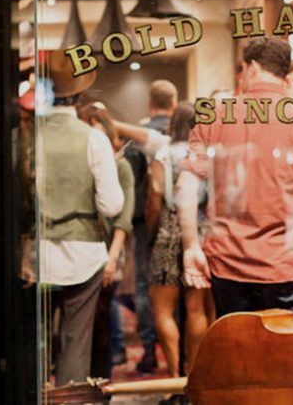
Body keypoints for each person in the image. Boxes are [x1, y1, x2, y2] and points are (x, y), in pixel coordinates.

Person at [177, 36, 293, 327]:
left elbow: (186, 183)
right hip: (285, 263)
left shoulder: (213, 115)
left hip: (228, 263)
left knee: (240, 347)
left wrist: (190, 246)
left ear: (251, 68)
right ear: (285, 75)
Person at [38, 50, 124, 386]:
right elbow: (111, 205)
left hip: (36, 254)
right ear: (79, 95)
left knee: (36, 341)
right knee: (75, 343)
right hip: (82, 254)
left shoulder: (25, 135)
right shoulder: (94, 139)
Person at [146, 101, 210, 377]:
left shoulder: (164, 154)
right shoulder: (205, 153)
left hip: (169, 228)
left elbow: (154, 198)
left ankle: (174, 377)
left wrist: (151, 233)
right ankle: (195, 376)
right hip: (201, 229)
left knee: (163, 310)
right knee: (197, 309)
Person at [78, 101, 135, 378]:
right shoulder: (82, 166)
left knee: (101, 321)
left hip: (107, 252)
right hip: (84, 249)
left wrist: (112, 258)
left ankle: (101, 383)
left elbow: (124, 219)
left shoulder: (120, 166)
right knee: (84, 325)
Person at [125, 79, 178, 373]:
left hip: (144, 222)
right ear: (174, 102)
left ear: (149, 103)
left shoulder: (137, 138)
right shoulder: (183, 133)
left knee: (146, 285)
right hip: (178, 223)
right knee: (176, 285)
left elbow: (131, 183)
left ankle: (148, 350)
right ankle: (177, 353)